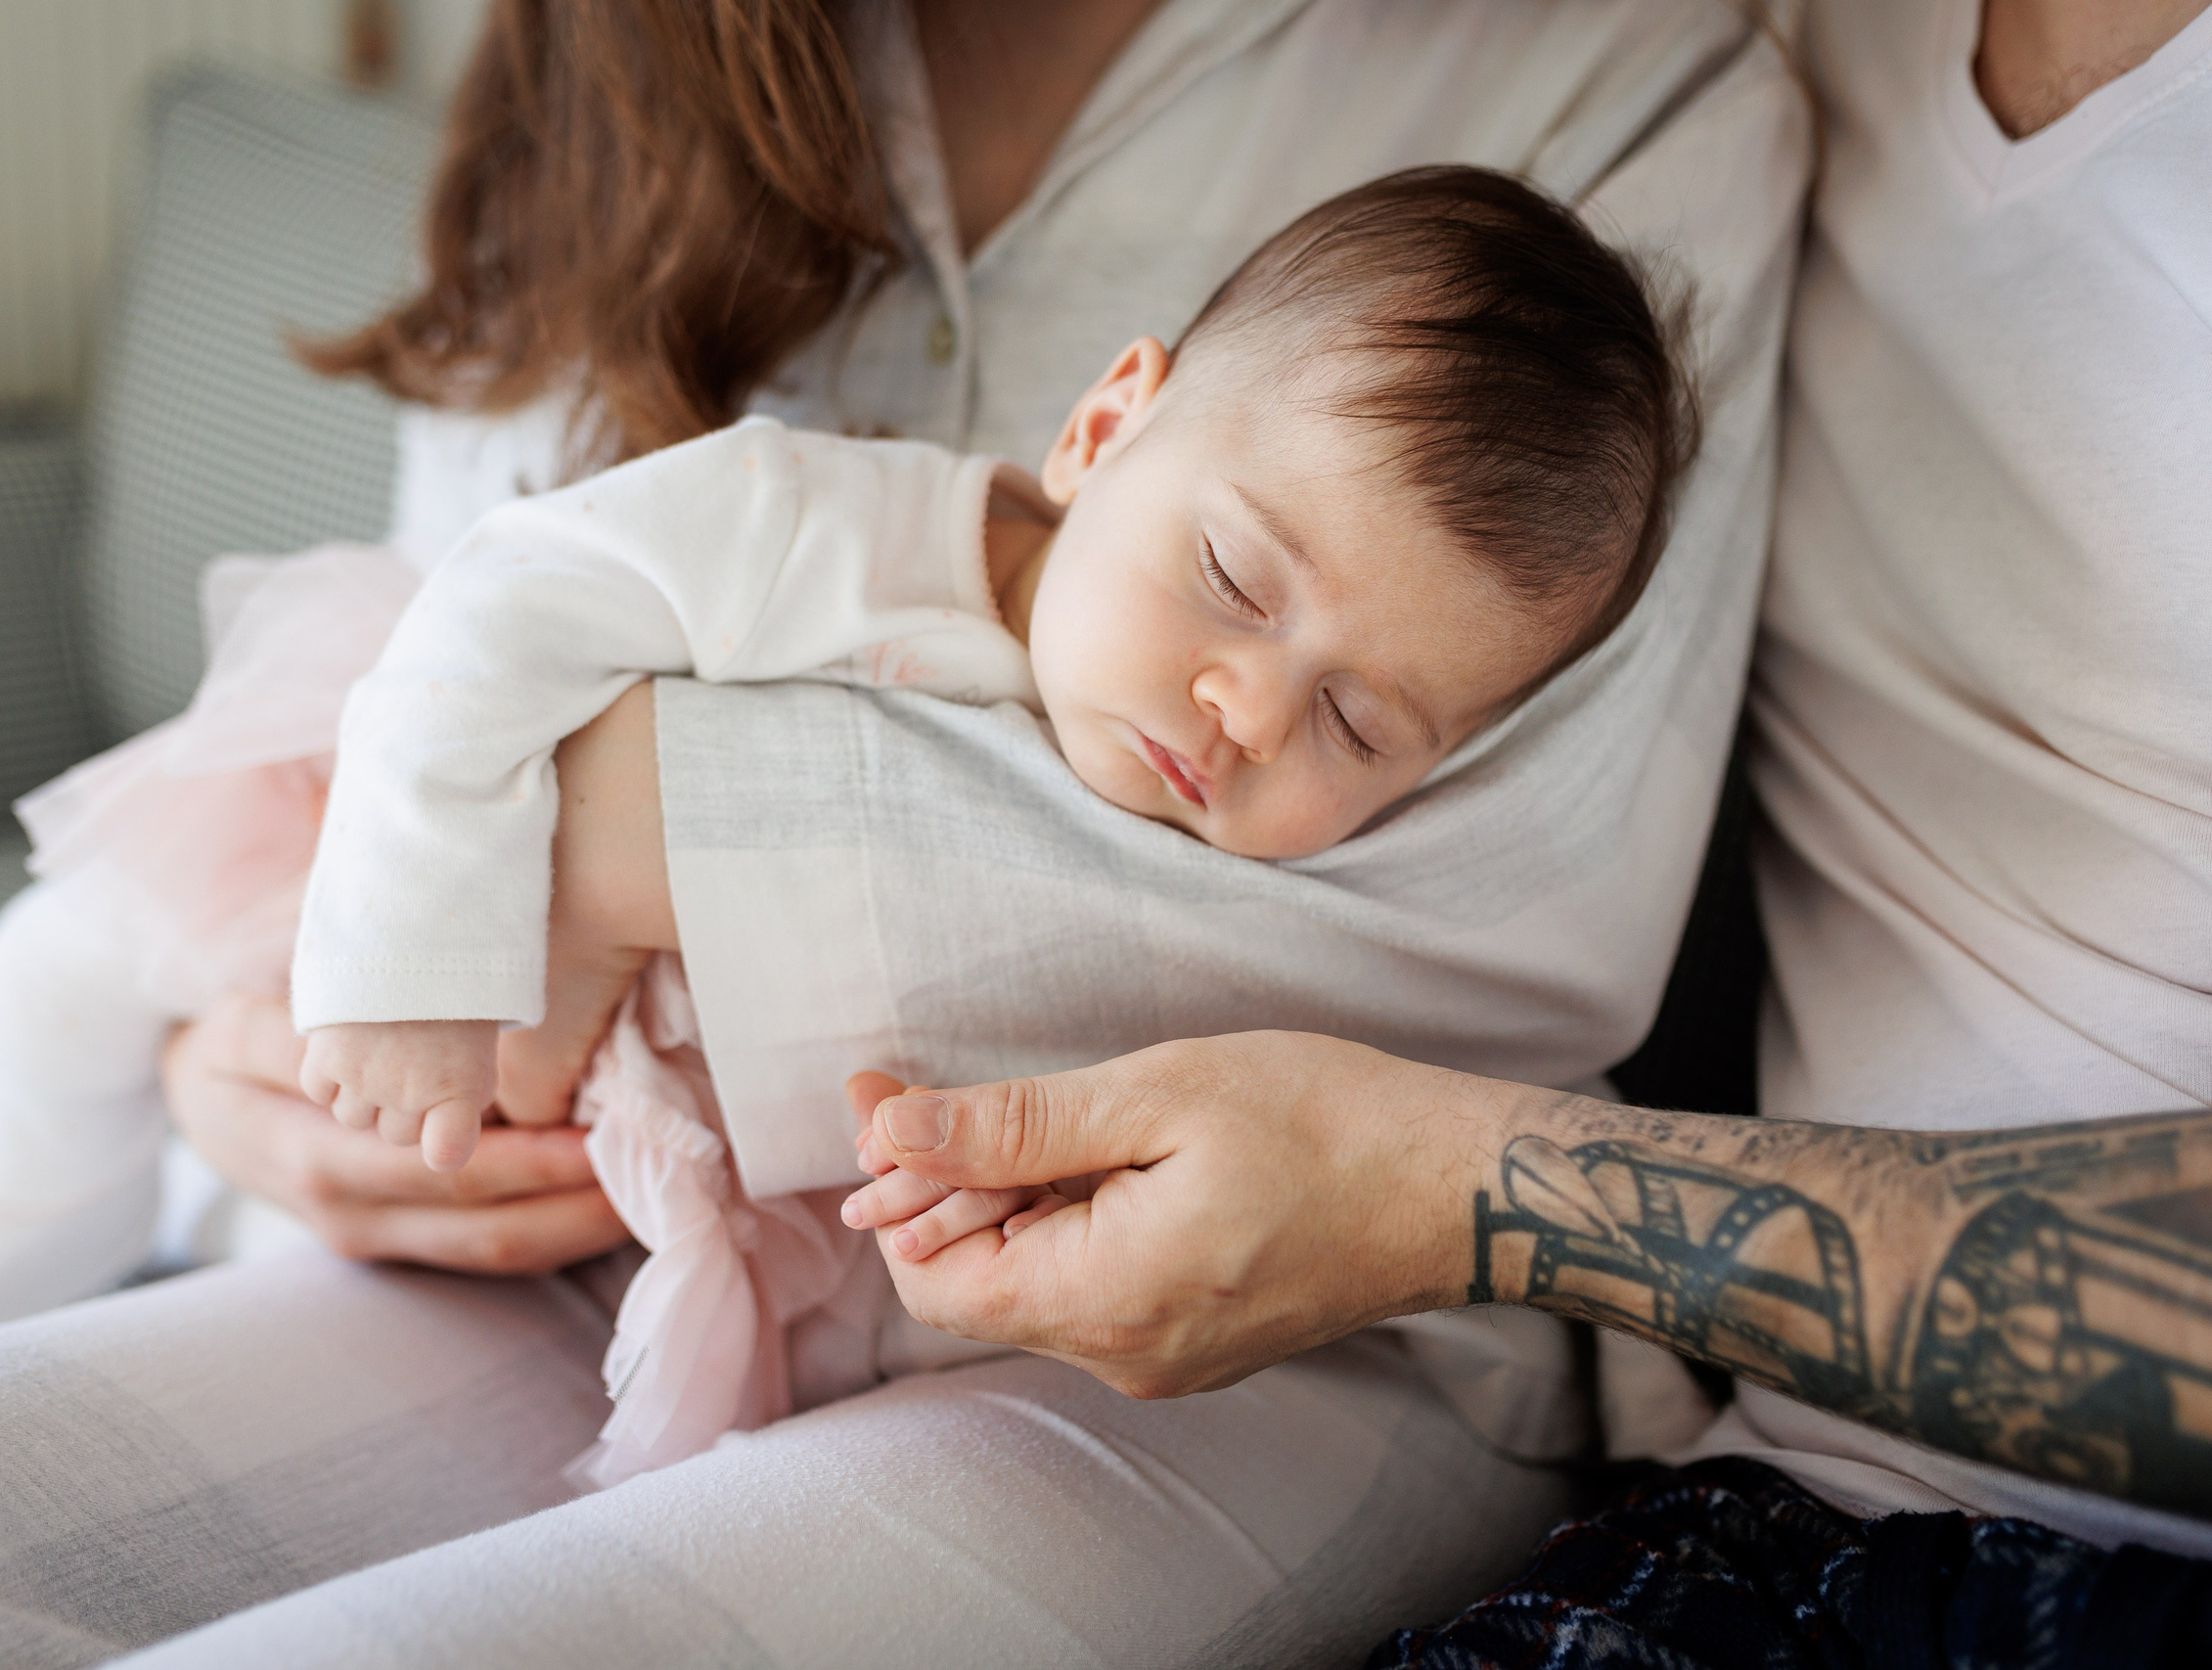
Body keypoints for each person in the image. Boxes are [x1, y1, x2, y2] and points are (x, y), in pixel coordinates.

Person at [0, 3, 1809, 1664]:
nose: (1247, 711)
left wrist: (617, 841)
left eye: (1357, 720)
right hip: (554, 1142)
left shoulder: (1628, 87)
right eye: (1237, 586)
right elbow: (479, 614)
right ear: (1100, 426)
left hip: (1218, 1318)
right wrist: (262, 1049)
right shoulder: (772, 382)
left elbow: (1504, 936)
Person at [835, 0, 2212, 1661]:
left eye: (1353, 723)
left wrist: (1437, 1188)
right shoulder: (1807, 45)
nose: (1256, 717)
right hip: (1786, 1507)